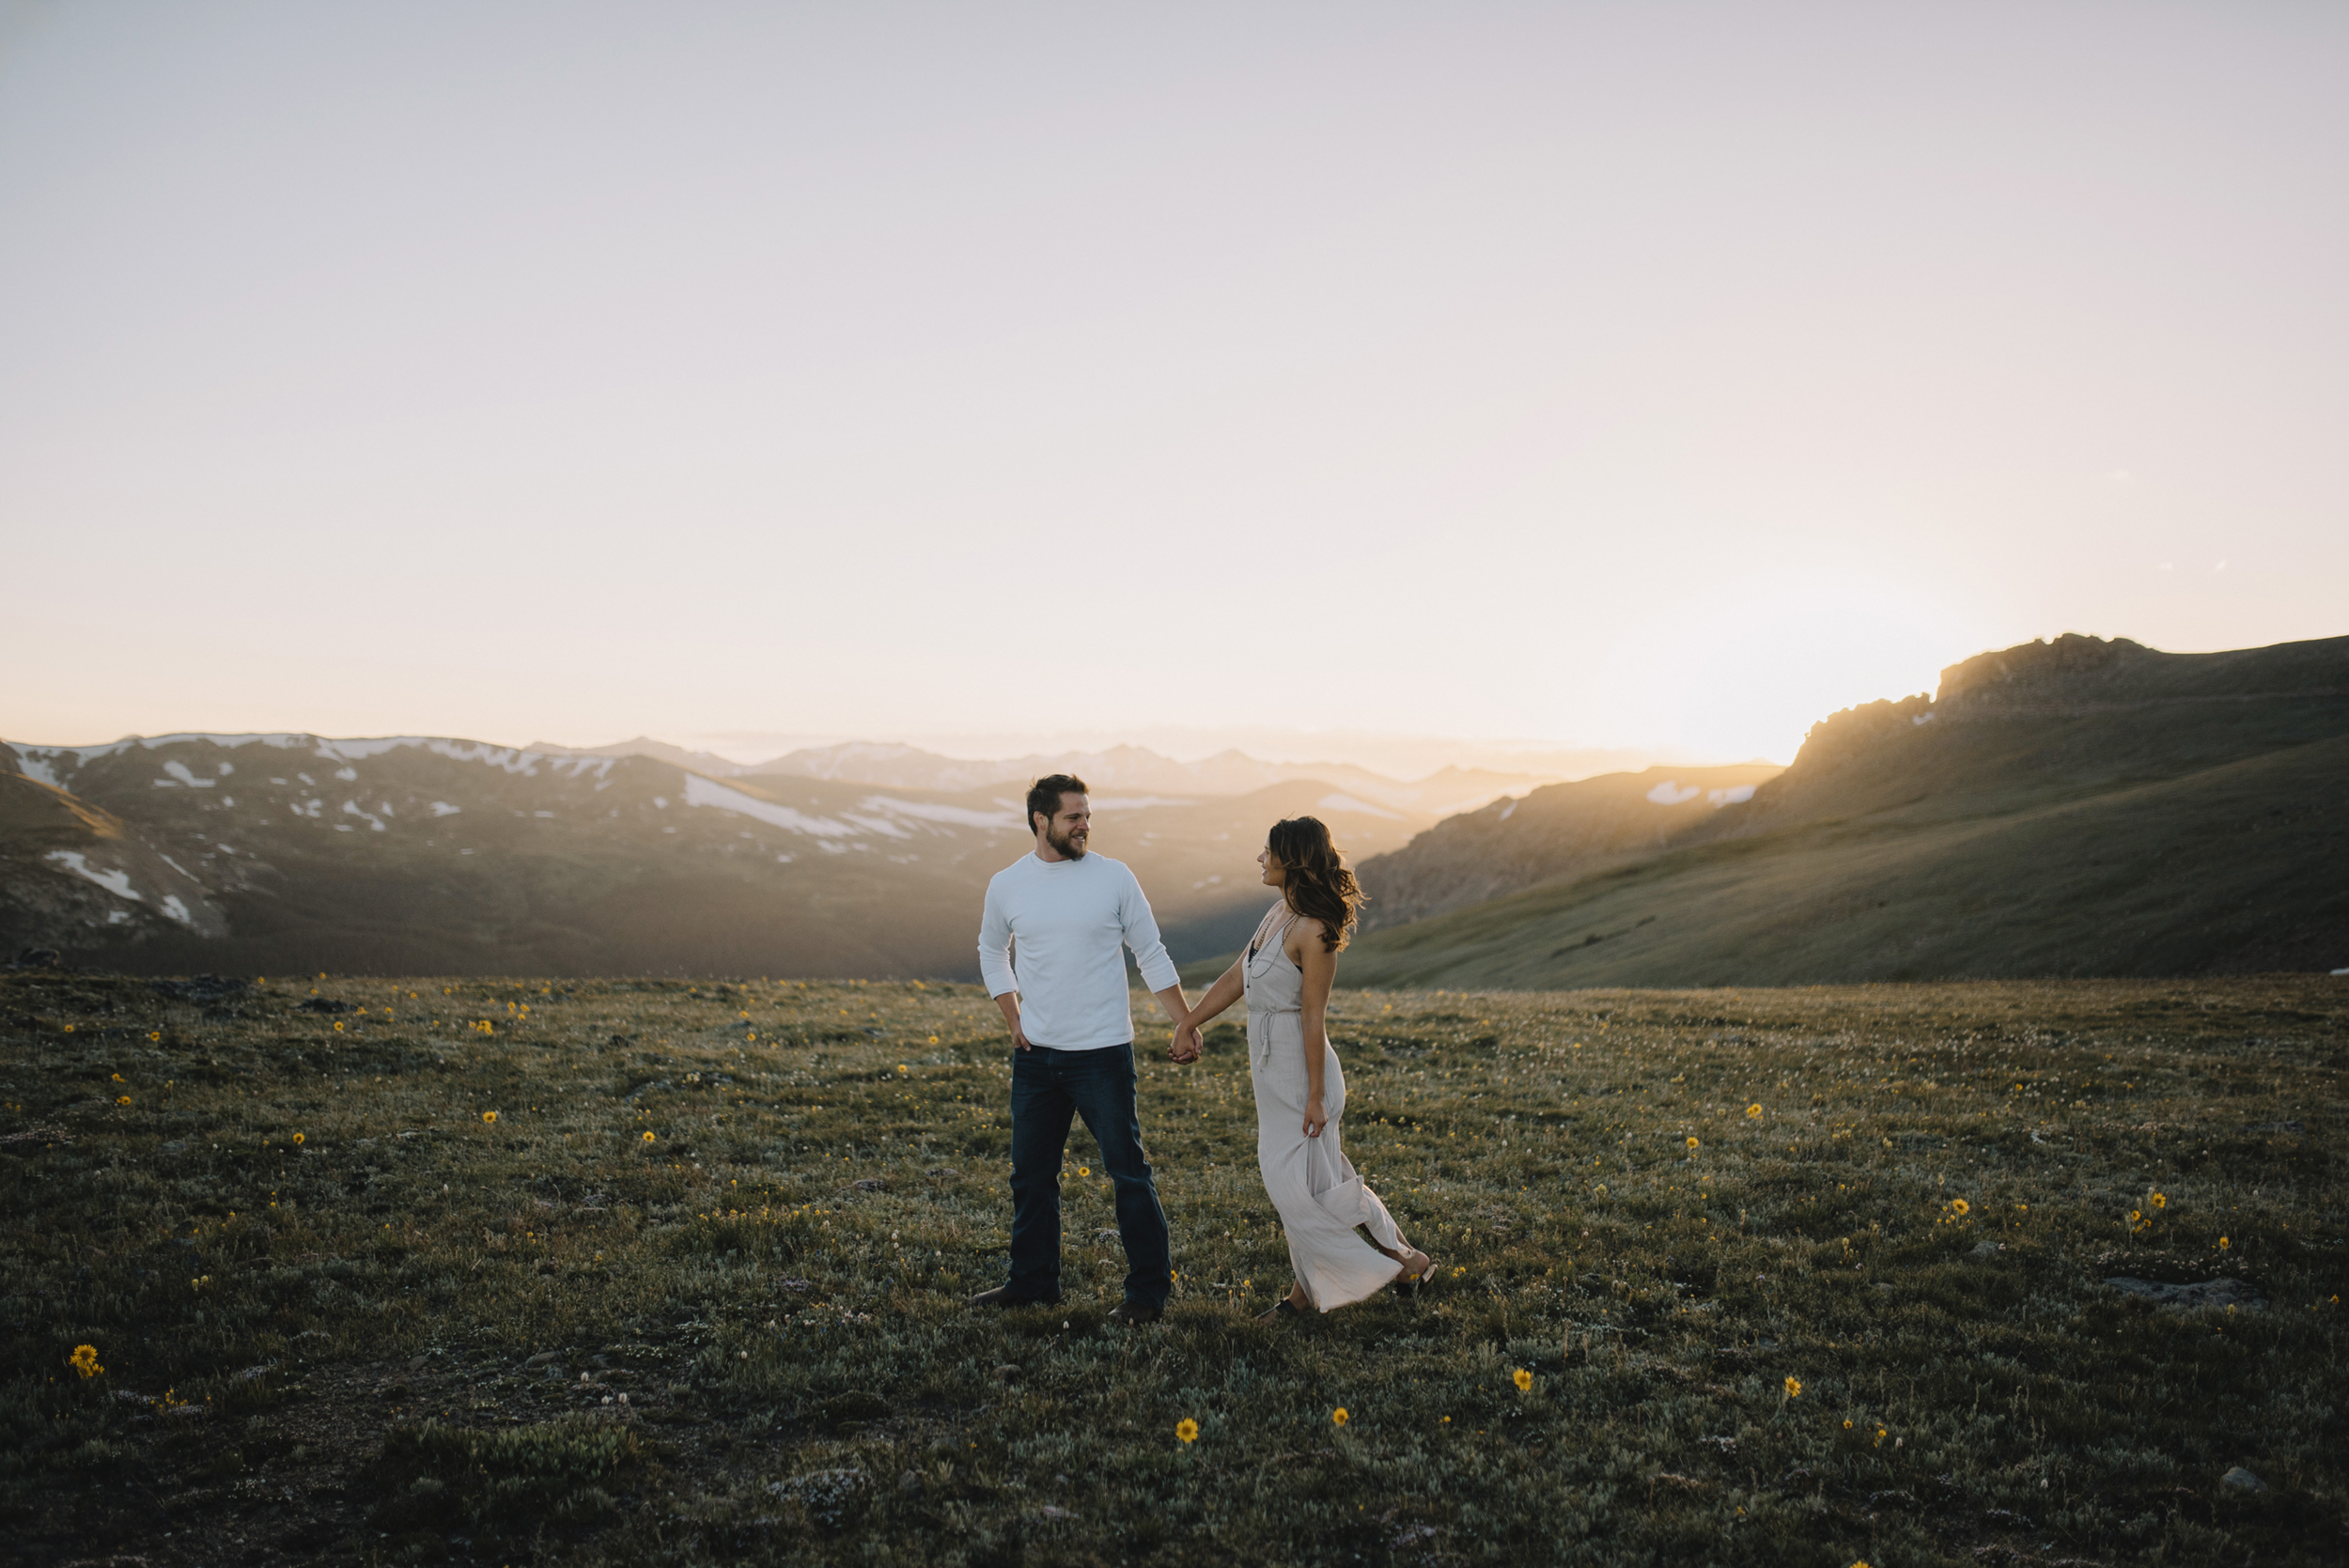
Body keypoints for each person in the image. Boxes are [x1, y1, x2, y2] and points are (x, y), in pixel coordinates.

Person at [1173, 815, 1432, 1319]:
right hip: (1272, 1073)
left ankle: (1303, 1298)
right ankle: (1408, 1261)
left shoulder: (1316, 931)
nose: (1260, 859)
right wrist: (1189, 1021)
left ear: (1293, 859)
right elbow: (1238, 975)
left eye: (1268, 851)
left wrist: (1316, 1094)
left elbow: (1314, 1017)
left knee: (1298, 1188)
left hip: (1301, 1074)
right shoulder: (1279, 912)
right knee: (1324, 1180)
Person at [972, 773, 1192, 1325]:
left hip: (1102, 1055)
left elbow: (1151, 952)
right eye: (1074, 817)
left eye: (1087, 815)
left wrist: (1185, 1021)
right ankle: (1032, 1283)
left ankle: (1147, 1295)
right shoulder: (1007, 884)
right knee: (1031, 1176)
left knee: (1128, 1172)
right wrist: (1012, 1015)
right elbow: (991, 950)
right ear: (1040, 821)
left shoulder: (1115, 878)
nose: (1085, 825)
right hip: (1036, 1058)